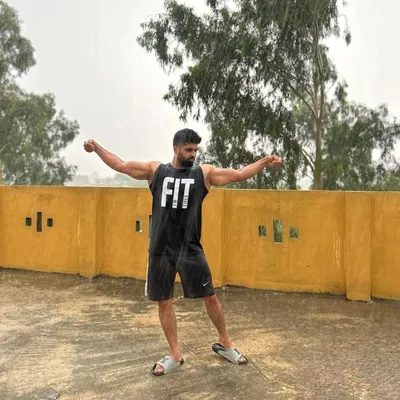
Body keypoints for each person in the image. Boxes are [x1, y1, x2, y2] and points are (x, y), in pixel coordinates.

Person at [83, 128, 282, 376]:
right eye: (188, 150)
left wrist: (265, 161)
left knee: (210, 297)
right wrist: (96, 148)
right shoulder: (156, 171)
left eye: (196, 150)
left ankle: (225, 343)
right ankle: (175, 354)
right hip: (160, 250)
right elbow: (121, 165)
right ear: (176, 148)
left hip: (191, 249)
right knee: (164, 302)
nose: (193, 154)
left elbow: (239, 174)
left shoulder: (204, 174)